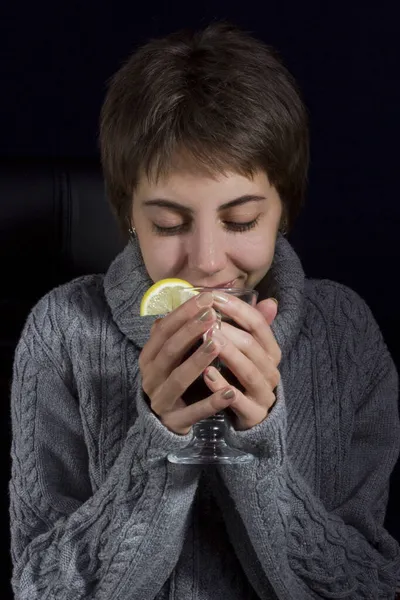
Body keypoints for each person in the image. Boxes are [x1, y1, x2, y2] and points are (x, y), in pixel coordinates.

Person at [9, 21, 400, 600]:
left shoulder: (344, 331)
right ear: (130, 217)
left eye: (241, 221)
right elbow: (41, 587)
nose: (207, 263)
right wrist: (161, 442)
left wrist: (259, 446)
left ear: (283, 212)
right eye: (169, 224)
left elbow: (365, 585)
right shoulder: (60, 331)